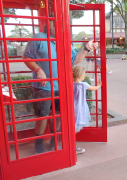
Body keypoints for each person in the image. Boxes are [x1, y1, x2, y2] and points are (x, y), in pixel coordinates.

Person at [23, 20, 98, 153]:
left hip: (62, 87)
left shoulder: (64, 40)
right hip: (43, 87)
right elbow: (26, 57)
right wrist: (38, 70)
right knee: (43, 116)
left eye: (61, 24)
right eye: (55, 23)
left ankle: (54, 139)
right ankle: (38, 142)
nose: (59, 26)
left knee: (57, 115)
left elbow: (74, 60)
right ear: (48, 24)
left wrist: (86, 48)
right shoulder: (38, 38)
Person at [72, 66, 102, 154]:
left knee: (72, 125)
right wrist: (99, 86)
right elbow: (94, 88)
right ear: (81, 75)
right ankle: (72, 146)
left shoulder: (70, 83)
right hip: (80, 108)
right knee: (75, 127)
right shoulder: (83, 84)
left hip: (71, 107)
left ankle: (70, 144)